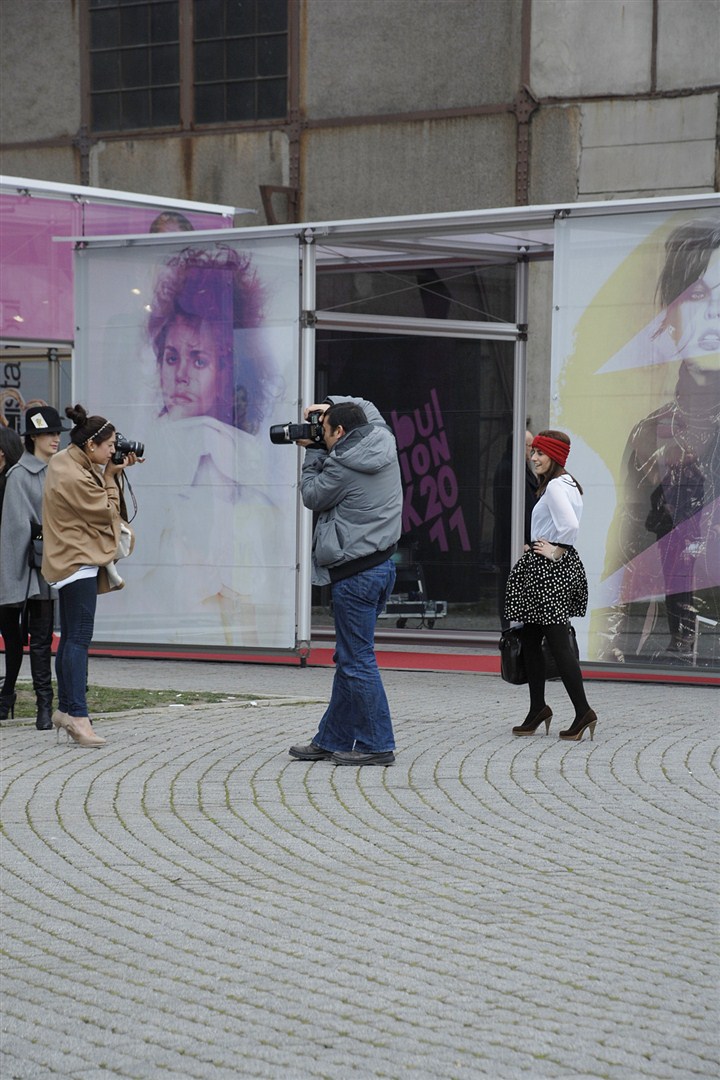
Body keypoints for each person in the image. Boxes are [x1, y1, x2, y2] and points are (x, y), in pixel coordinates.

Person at [132, 245, 286, 646]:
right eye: (171, 357)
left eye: (198, 360)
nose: (180, 374)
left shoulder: (220, 444)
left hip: (202, 611)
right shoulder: (161, 441)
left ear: (227, 371)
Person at [601, 218, 720, 665]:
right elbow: (626, 551)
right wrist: (609, 648)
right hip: (668, 649)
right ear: (668, 314)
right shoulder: (647, 434)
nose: (714, 312)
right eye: (698, 294)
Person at [289, 396, 403, 766]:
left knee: (358, 661)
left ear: (339, 431)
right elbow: (367, 405)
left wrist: (310, 452)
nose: (318, 434)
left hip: (355, 574)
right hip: (381, 567)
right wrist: (328, 405)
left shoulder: (342, 466)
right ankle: (332, 737)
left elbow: (311, 495)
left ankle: (376, 744)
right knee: (350, 657)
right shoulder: (382, 440)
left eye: (323, 429)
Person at [41, 405, 138, 748]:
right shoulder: (72, 473)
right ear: (91, 444)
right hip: (76, 560)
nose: (114, 451)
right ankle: (78, 717)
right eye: (109, 445)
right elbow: (105, 513)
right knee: (79, 638)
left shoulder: (68, 462)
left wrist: (110, 472)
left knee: (70, 637)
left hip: (70, 558)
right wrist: (111, 478)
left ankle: (67, 711)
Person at [504, 431, 597, 741]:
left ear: (554, 456)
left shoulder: (556, 486)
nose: (534, 458)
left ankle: (582, 711)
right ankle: (537, 709)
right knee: (530, 638)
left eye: (541, 454)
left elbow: (569, 526)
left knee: (557, 642)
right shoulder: (569, 482)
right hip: (551, 567)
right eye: (533, 453)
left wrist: (556, 550)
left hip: (548, 571)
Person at [0, 407, 66, 729]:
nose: (56, 439)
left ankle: (70, 702)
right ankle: (44, 706)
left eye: (57, 433)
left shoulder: (63, 469)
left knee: (67, 637)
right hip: (39, 569)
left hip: (68, 564)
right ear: (34, 437)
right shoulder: (19, 476)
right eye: (49, 433)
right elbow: (15, 530)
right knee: (40, 639)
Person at [492, 428, 537, 628]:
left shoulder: (521, 468)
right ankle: (510, 628)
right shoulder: (508, 470)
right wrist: (519, 541)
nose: (533, 451)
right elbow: (505, 511)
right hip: (513, 542)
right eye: (530, 447)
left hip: (525, 541)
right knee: (509, 586)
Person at [0, 424, 25, 720]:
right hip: (10, 567)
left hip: (11, 567)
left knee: (10, 631)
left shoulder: (14, 483)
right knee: (10, 632)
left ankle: (7, 693)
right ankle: (7, 692)